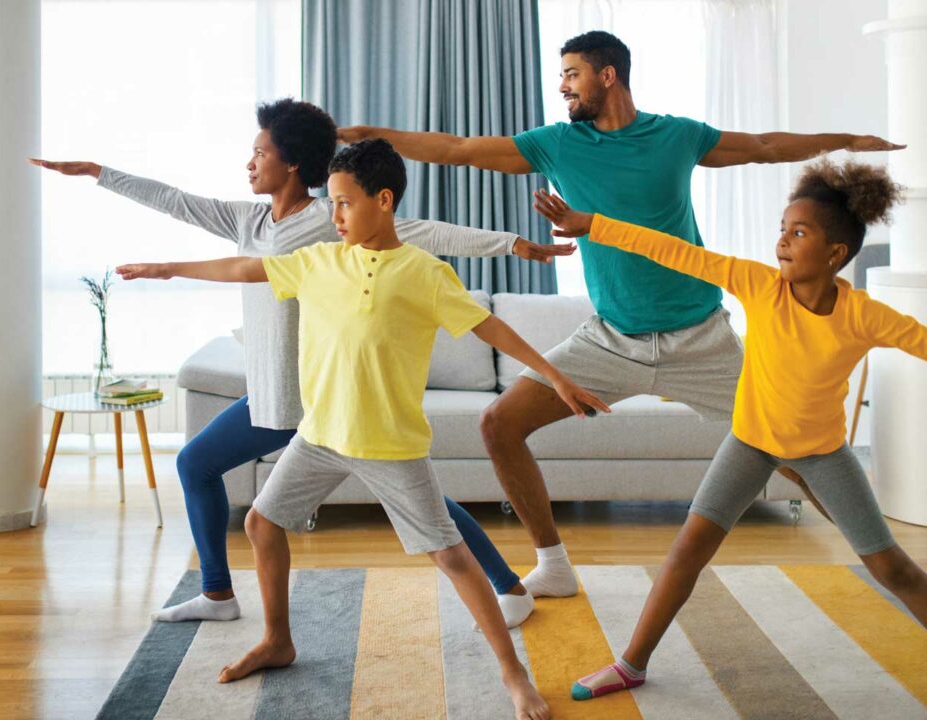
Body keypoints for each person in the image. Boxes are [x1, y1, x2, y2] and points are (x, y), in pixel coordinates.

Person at [340, 30, 906, 598]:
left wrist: (847, 140)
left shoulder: (675, 136)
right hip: (610, 340)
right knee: (499, 423)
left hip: (702, 341)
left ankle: (890, 568)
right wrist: (374, 136)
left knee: (797, 455)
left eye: (571, 73)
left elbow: (761, 144)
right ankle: (553, 563)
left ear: (607, 75)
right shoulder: (556, 143)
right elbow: (457, 149)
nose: (561, 85)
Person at [117, 139, 613, 719]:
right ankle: (278, 639)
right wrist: (166, 269)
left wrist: (554, 377)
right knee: (261, 522)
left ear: (383, 200)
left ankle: (514, 673)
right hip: (320, 434)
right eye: (331, 203)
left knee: (452, 558)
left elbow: (490, 331)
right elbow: (243, 266)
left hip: (388, 446)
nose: (335, 217)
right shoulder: (320, 261)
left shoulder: (425, 273)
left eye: (345, 204)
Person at [30, 98, 572, 626]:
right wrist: (99, 173)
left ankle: (219, 592)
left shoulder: (331, 219)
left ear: (291, 162)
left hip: (304, 397)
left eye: (260, 153)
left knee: (199, 465)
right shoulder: (247, 221)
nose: (250, 163)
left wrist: (512, 244)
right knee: (419, 497)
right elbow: (173, 199)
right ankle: (507, 586)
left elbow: (424, 231)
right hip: (271, 391)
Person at [531, 159, 927, 702]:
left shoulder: (862, 315)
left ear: (835, 254)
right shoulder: (762, 286)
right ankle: (631, 664)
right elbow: (675, 251)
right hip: (749, 443)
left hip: (822, 455)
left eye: (799, 232)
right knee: (688, 548)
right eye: (782, 229)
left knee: (890, 565)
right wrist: (593, 224)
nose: (782, 242)